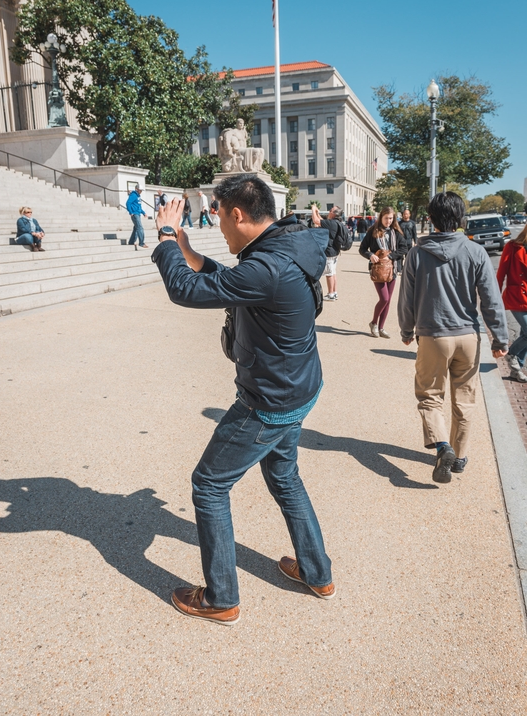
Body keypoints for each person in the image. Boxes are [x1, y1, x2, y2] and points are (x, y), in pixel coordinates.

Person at [152, 173, 335, 625]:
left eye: (218, 216)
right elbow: (234, 282)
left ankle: (221, 597)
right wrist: (188, 251)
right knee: (285, 478)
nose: (219, 226)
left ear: (237, 213)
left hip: (268, 401)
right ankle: (317, 572)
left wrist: (164, 240)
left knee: (209, 485)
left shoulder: (267, 267)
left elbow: (186, 291)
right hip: (298, 388)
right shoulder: (283, 247)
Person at [398, 192, 508, 484]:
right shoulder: (475, 252)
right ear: (461, 218)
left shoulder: (417, 254)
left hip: (433, 335)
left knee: (430, 397)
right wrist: (500, 339)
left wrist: (406, 330)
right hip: (468, 336)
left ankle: (442, 446)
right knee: (465, 400)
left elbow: (407, 299)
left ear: (430, 218)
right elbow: (491, 299)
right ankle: (458, 456)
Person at [359, 207, 407, 338]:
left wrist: (391, 256)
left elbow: (404, 248)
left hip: (393, 269)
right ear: (381, 217)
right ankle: (374, 323)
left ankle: (381, 327)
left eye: (391, 218)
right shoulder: (373, 231)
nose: (389, 221)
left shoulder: (396, 232)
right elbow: (362, 248)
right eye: (386, 218)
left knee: (388, 300)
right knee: (384, 298)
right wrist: (370, 255)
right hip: (378, 269)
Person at [496, 224, 527, 382]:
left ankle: (516, 369)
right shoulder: (513, 247)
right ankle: (512, 354)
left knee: (524, 334)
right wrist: (494, 297)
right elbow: (501, 272)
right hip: (517, 297)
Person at [310, 204, 350, 300]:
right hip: (335, 251)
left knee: (329, 274)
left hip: (329, 252)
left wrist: (313, 209)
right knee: (333, 272)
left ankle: (331, 294)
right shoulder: (336, 222)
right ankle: (334, 292)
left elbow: (316, 221)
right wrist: (316, 213)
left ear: (334, 214)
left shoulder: (332, 223)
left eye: (331, 210)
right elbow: (322, 222)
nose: (329, 211)